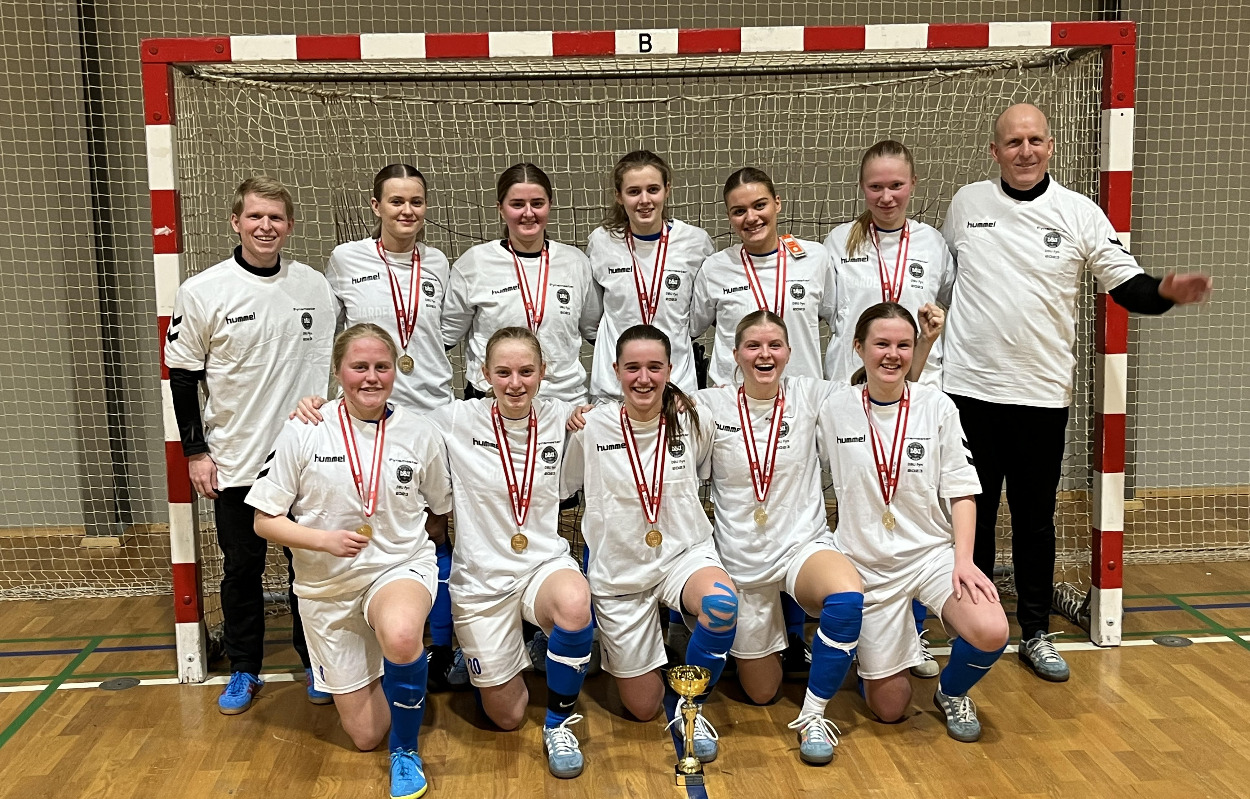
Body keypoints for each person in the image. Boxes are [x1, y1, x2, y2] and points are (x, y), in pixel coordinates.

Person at [942, 103, 1212, 681]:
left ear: (1051, 145)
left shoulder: (1080, 213)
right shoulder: (965, 204)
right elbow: (948, 282)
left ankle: (1035, 630)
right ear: (994, 151)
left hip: (1041, 395)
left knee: (1035, 520)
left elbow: (1128, 286)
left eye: (1035, 140)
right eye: (1013, 142)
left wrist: (1165, 291)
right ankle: (976, 628)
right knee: (973, 517)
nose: (1025, 151)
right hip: (967, 391)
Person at [248, 323, 453, 799]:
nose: (371, 377)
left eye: (382, 366)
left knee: (401, 633)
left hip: (397, 567)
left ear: (395, 371)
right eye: (359, 366)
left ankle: (406, 751)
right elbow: (264, 521)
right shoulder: (305, 428)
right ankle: (387, 671)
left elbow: (439, 509)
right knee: (365, 736)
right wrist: (322, 541)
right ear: (338, 371)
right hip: (328, 587)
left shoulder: (420, 432)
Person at [163, 176, 335, 713]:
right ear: (236, 222)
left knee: (309, 570)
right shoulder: (202, 290)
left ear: (290, 225)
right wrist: (196, 452)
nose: (266, 226)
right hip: (235, 459)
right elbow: (182, 375)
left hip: (306, 459)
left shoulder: (314, 286)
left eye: (276, 217)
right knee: (242, 569)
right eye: (255, 216)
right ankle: (244, 668)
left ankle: (319, 664)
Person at [817, 302, 1009, 743]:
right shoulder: (833, 409)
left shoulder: (937, 406)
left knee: (991, 628)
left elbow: (962, 491)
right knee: (890, 709)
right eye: (881, 344)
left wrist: (964, 560)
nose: (892, 354)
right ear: (858, 347)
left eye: (903, 345)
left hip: (929, 555)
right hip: (866, 566)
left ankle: (951, 691)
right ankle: (873, 658)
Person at [562, 324, 738, 763]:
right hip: (621, 571)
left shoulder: (693, 420)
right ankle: (655, 651)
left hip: (682, 555)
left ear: (670, 370)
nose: (644, 378)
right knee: (642, 708)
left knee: (721, 605)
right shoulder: (590, 426)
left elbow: (701, 469)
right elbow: (564, 488)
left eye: (655, 367)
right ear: (616, 370)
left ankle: (690, 707)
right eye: (633, 368)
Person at [425, 327, 594, 779]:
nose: (515, 383)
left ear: (543, 372)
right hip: (481, 581)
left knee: (575, 602)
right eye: (503, 373)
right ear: (484, 374)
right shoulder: (456, 419)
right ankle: (493, 654)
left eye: (525, 372)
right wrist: (322, 408)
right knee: (508, 716)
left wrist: (588, 415)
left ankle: (558, 722)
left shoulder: (561, 415)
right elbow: (387, 418)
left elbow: (629, 414)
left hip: (541, 565)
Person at [698, 310, 864, 765]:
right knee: (762, 693)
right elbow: (648, 415)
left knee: (846, 597)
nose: (764, 354)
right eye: (753, 345)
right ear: (735, 354)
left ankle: (813, 715)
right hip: (742, 562)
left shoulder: (813, 395)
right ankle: (761, 647)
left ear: (789, 352)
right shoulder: (709, 405)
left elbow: (882, 387)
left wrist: (921, 346)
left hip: (801, 547)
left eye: (774, 345)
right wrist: (584, 416)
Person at [323, 164, 461, 692]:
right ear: (376, 206)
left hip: (431, 412)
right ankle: (368, 639)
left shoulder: (439, 263)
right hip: (369, 412)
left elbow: (445, 333)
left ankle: (440, 646)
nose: (407, 210)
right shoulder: (346, 259)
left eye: (416, 201)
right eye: (396, 201)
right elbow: (333, 336)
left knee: (438, 526)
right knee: (370, 519)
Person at [823, 139, 954, 678]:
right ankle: (850, 622)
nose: (886, 196)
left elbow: (941, 308)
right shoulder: (838, 242)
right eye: (875, 186)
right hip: (855, 396)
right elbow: (830, 316)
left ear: (913, 185)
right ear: (862, 188)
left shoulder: (933, 244)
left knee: (915, 509)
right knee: (855, 507)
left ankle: (913, 631)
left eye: (896, 185)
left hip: (917, 390)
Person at [442, 163, 600, 403]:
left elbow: (596, 334)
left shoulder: (576, 262)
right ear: (500, 209)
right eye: (517, 204)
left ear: (549, 205)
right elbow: (444, 338)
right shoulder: (474, 263)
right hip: (493, 401)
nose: (528, 213)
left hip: (563, 402)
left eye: (537, 203)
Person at [587, 150, 714, 402]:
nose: (644, 200)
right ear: (619, 196)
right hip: (613, 390)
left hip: (677, 389)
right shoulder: (601, 242)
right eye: (634, 191)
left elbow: (698, 318)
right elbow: (591, 319)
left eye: (653, 189)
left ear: (667, 189)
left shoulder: (696, 242)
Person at [691, 167, 835, 388]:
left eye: (759, 205)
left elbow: (835, 319)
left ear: (777, 203)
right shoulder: (714, 268)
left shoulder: (816, 258)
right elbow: (689, 330)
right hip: (734, 398)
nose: (751, 218)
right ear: (729, 216)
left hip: (801, 396)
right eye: (739, 211)